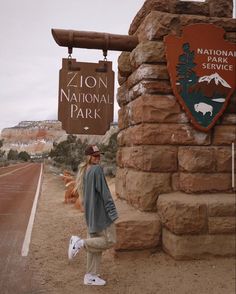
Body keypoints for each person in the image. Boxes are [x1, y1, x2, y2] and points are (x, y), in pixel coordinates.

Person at [68, 144, 118, 286]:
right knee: (110, 240)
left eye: (99, 155)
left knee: (95, 245)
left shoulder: (85, 171)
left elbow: (85, 198)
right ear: (88, 157)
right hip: (101, 215)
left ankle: (91, 276)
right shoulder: (96, 170)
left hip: (90, 216)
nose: (98, 158)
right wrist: (113, 213)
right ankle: (79, 243)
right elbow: (105, 194)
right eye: (95, 156)